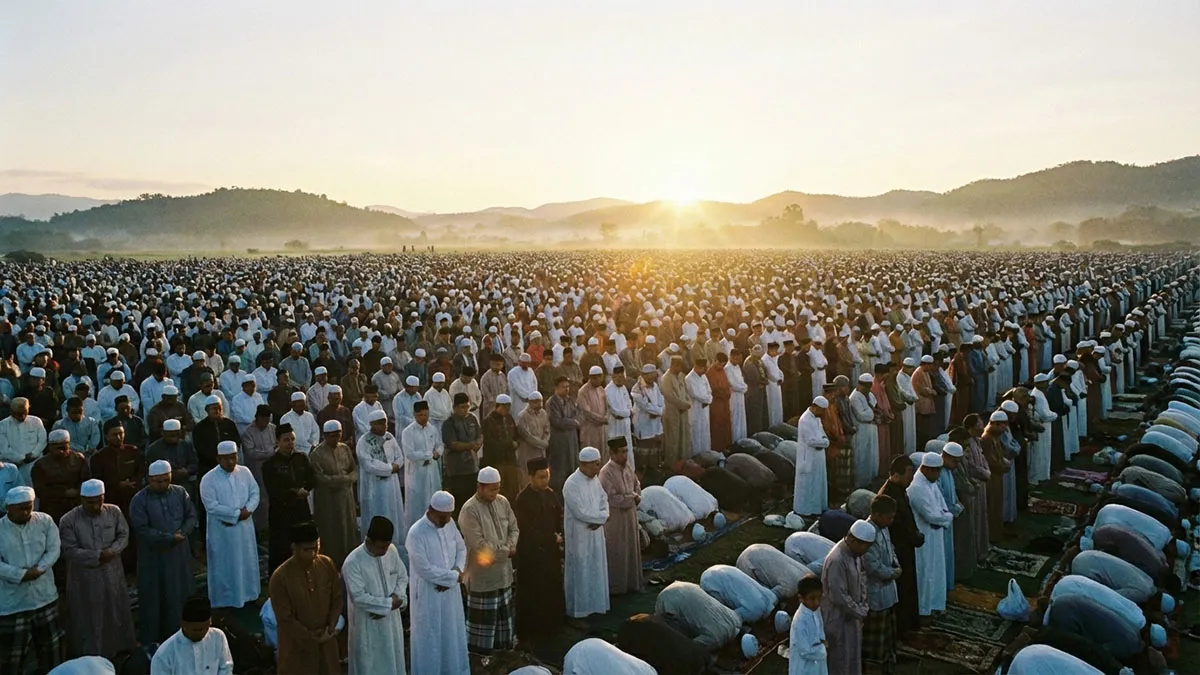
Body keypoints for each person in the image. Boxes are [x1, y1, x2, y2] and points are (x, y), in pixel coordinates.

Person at [59, 478, 137, 659]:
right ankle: (90, 654)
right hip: (84, 577)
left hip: (112, 572)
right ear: (81, 499)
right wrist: (96, 556)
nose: (95, 506)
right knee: (89, 616)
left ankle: (121, 648)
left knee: (116, 609)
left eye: (99, 501)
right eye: (90, 502)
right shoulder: (69, 520)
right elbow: (68, 550)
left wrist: (112, 551)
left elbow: (124, 534)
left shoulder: (114, 512)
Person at [128, 460, 196, 645]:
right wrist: (168, 537)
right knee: (155, 596)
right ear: (149, 479)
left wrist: (183, 532)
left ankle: (183, 630)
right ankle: (155, 639)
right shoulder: (139, 500)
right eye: (158, 481)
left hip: (179, 554)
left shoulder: (180, 492)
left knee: (180, 592)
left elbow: (191, 515)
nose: (163, 485)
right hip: (154, 556)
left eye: (166, 480)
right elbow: (141, 528)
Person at [0, 486, 65, 674]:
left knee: (52, 652)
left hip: (44, 597)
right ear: (8, 508)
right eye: (21, 508)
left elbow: (54, 549)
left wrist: (39, 570)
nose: (26, 511)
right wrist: (21, 575)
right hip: (13, 603)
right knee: (12, 659)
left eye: (29, 506)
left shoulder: (44, 521)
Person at [405, 490, 470, 675]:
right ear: (431, 511)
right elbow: (423, 568)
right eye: (443, 517)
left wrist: (457, 570)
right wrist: (452, 578)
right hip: (429, 594)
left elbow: (461, 548)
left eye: (449, 516)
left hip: (450, 594)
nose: (446, 520)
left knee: (452, 636)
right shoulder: (416, 533)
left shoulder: (449, 525)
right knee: (430, 639)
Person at [458, 466, 520, 656]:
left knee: (504, 623)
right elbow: (479, 545)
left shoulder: (502, 502)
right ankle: (480, 661)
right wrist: (506, 551)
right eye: (491, 489)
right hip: (482, 576)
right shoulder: (469, 510)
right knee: (482, 630)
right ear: (480, 487)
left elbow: (514, 527)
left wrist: (511, 545)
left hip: (504, 574)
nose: (495, 493)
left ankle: (504, 657)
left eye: (497, 488)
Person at [268, 521, 342, 675]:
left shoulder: (326, 564)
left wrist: (331, 625)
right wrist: (311, 638)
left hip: (327, 644)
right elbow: (285, 619)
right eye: (307, 550)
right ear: (294, 548)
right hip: (297, 649)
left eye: (316, 548)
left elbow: (337, 598)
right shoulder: (280, 578)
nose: (313, 554)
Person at [343, 516, 409, 675]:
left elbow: (402, 576)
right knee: (370, 664)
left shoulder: (391, 551)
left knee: (394, 659)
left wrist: (398, 598)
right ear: (369, 541)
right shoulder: (353, 562)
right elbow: (358, 597)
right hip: (367, 624)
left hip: (392, 623)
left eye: (387, 545)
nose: (385, 551)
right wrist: (387, 605)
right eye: (381, 547)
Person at [200, 440, 260, 609]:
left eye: (233, 457)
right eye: (226, 459)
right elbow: (211, 506)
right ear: (218, 459)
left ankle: (250, 595)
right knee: (225, 565)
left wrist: (248, 510)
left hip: (244, 529)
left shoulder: (245, 472)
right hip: (223, 531)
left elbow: (255, 493)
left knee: (246, 561)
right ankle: (225, 601)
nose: (231, 462)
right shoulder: (208, 479)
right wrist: (236, 514)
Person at [513, 457, 565, 642]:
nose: (545, 480)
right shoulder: (523, 500)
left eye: (547, 476)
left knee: (551, 590)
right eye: (541, 477)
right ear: (531, 477)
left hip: (550, 554)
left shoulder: (550, 494)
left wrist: (559, 534)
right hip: (532, 556)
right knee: (533, 594)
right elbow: (527, 529)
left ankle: (553, 627)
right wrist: (550, 538)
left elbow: (559, 516)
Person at [89, 423, 146, 571]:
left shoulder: (133, 451)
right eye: (115, 434)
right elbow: (97, 479)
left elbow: (141, 472)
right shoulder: (99, 457)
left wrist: (133, 483)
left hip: (133, 499)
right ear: (106, 436)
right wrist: (117, 484)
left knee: (135, 532)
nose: (119, 437)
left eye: (121, 433)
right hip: (113, 501)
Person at [563, 446, 610, 623]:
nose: (598, 468)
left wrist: (601, 518)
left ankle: (597, 606)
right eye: (595, 465)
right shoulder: (571, 484)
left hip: (596, 532)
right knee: (581, 570)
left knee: (596, 566)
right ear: (584, 464)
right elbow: (579, 512)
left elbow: (603, 500)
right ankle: (579, 611)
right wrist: (599, 518)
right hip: (580, 534)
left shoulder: (595, 480)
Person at [821, 519, 873, 675]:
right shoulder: (837, 559)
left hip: (852, 617)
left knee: (852, 658)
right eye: (864, 545)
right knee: (840, 661)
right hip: (837, 619)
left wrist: (863, 604)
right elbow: (839, 596)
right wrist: (861, 611)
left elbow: (862, 578)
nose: (866, 550)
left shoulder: (855, 554)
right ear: (852, 539)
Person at [263, 423, 315, 574]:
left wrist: (305, 489)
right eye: (286, 440)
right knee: (282, 547)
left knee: (302, 542)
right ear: (277, 442)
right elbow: (273, 490)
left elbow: (312, 479)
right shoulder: (270, 464)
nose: (290, 443)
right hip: (281, 513)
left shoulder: (302, 458)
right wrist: (294, 492)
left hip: (301, 509)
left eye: (292, 439)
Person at [355, 409, 407, 559]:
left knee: (393, 512)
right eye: (379, 423)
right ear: (371, 425)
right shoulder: (364, 441)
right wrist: (390, 468)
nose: (384, 426)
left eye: (384, 422)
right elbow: (368, 464)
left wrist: (396, 465)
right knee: (376, 513)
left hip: (391, 485)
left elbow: (399, 456)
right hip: (374, 487)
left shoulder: (390, 437)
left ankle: (395, 545)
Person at [907, 452, 953, 619]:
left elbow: (943, 508)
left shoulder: (931, 483)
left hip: (936, 535)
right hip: (924, 537)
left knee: (936, 571)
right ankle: (924, 610)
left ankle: (935, 605)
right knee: (925, 573)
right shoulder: (917, 487)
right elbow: (931, 516)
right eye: (936, 471)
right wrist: (947, 518)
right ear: (926, 469)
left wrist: (944, 517)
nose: (939, 475)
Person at [878, 456, 921, 635]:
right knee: (902, 589)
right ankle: (901, 630)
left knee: (909, 586)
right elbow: (897, 526)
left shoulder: (900, 490)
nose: (912, 477)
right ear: (896, 475)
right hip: (898, 548)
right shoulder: (889, 495)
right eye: (909, 472)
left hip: (907, 546)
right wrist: (914, 537)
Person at [308, 420, 360, 567]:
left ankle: (350, 562)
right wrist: (343, 480)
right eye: (331, 436)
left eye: (338, 435)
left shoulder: (345, 449)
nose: (335, 439)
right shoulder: (317, 454)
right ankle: (330, 564)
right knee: (331, 531)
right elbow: (320, 478)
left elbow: (354, 472)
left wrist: (343, 480)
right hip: (328, 499)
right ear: (324, 435)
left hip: (346, 498)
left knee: (348, 529)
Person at [861, 496, 902, 673]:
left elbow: (890, 549)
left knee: (888, 633)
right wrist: (893, 573)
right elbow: (872, 566)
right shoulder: (867, 533)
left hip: (888, 589)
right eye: (889, 517)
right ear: (877, 514)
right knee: (874, 639)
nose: (891, 521)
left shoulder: (883, 528)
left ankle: (887, 663)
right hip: (875, 590)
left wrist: (895, 563)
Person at [150, 596, 234, 675]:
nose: (201, 633)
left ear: (210, 622)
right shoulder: (164, 655)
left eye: (205, 629)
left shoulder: (217, 637)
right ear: (183, 624)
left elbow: (226, 668)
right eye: (195, 630)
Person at [600, 440, 642, 595]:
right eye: (621, 452)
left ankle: (632, 585)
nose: (625, 455)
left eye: (626, 451)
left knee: (631, 549)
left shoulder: (628, 467)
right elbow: (609, 498)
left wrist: (636, 495)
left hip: (630, 516)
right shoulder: (606, 472)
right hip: (616, 518)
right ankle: (616, 588)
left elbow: (637, 484)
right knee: (617, 552)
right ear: (612, 453)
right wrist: (631, 499)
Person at [31, 429, 90, 523]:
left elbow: (86, 481)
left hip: (77, 508)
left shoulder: (79, 459)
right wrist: (64, 493)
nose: (61, 452)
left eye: (64, 448)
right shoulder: (40, 465)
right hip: (53, 509)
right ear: (50, 447)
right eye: (57, 448)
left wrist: (77, 491)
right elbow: (40, 490)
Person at [442, 392, 482, 513]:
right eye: (462, 407)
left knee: (473, 501)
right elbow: (453, 444)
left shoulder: (472, 418)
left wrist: (477, 444)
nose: (465, 410)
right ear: (455, 407)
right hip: (456, 469)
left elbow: (480, 435)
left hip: (472, 467)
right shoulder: (449, 423)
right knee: (459, 503)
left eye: (467, 407)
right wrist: (471, 445)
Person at [795, 397, 831, 517]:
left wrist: (824, 440)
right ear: (815, 407)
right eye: (822, 410)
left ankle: (817, 509)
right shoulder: (805, 420)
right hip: (808, 457)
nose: (823, 413)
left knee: (817, 483)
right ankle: (805, 510)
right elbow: (810, 441)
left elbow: (822, 434)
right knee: (807, 484)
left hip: (818, 457)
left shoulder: (817, 419)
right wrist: (824, 443)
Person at [482, 393, 522, 499]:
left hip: (510, 460)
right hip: (496, 461)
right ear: (498, 406)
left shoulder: (509, 418)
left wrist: (516, 443)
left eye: (508, 406)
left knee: (513, 490)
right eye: (505, 406)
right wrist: (509, 444)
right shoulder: (488, 421)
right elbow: (490, 442)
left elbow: (516, 435)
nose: (507, 409)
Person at [1, 397, 47, 486]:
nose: (22, 416)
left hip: (35, 463)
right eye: (18, 414)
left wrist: (34, 454)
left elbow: (42, 440)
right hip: (15, 466)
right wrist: (21, 458)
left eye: (24, 413)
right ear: (11, 412)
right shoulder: (3, 425)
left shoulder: (36, 421)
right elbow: (4, 449)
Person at [790, 574, 829, 675]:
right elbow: (805, 651)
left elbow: (820, 631)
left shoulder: (816, 610)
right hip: (804, 667)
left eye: (819, 598)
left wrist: (822, 642)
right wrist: (822, 647)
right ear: (801, 598)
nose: (816, 602)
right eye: (812, 598)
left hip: (818, 663)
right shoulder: (799, 621)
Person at [547, 376, 580, 493]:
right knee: (559, 472)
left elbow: (577, 417)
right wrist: (572, 422)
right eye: (563, 387)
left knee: (572, 469)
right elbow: (557, 422)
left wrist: (569, 421)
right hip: (559, 442)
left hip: (572, 440)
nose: (566, 389)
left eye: (567, 387)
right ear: (556, 388)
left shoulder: (570, 400)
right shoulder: (552, 403)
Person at [631, 363, 665, 470]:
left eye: (653, 375)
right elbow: (646, 406)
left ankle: (654, 471)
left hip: (655, 423)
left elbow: (661, 401)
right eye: (648, 375)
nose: (651, 378)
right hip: (643, 424)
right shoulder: (636, 390)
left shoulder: (655, 385)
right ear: (643, 375)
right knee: (644, 450)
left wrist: (659, 411)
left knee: (655, 449)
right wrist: (659, 412)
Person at [514, 391, 550, 492]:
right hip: (528, 452)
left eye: (540, 401)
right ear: (530, 402)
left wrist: (545, 441)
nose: (539, 404)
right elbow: (527, 436)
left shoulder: (544, 413)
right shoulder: (523, 416)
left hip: (540, 452)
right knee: (527, 477)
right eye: (536, 402)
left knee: (541, 475)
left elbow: (547, 430)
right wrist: (542, 444)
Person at [661, 356, 692, 465]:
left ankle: (682, 462)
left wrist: (688, 403)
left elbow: (686, 392)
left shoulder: (681, 376)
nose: (680, 368)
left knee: (683, 437)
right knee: (673, 440)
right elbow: (670, 397)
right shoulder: (666, 378)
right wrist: (684, 405)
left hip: (683, 412)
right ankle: (671, 464)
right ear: (673, 365)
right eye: (678, 366)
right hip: (672, 412)